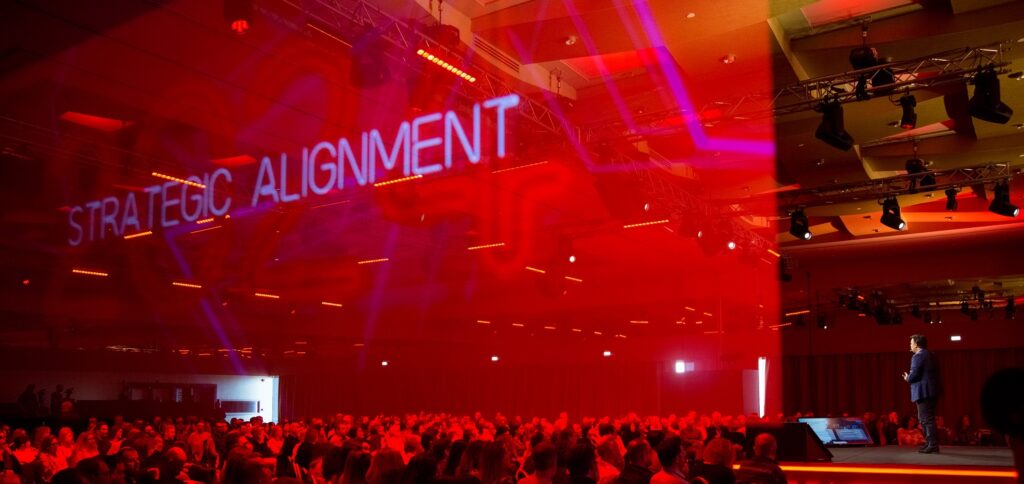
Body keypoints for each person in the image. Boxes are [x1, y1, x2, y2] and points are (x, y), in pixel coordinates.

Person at [902, 334, 940, 454]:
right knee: (927, 418)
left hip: (923, 392)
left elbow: (914, 375)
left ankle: (932, 445)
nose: (910, 345)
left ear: (917, 344)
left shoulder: (918, 356)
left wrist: (908, 378)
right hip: (931, 391)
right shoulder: (931, 355)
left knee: (926, 419)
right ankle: (930, 443)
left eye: (911, 343)